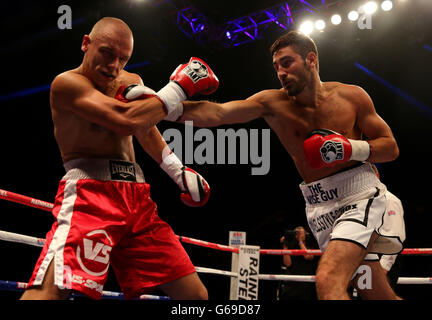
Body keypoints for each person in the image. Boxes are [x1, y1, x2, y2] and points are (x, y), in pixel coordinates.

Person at [176, 31, 404, 299]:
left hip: (360, 196)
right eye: (276, 67)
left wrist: (349, 148)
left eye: (286, 63)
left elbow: (391, 148)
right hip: (319, 206)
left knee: (329, 280)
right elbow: (217, 113)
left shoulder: (352, 97)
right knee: (372, 291)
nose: (280, 72)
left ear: (311, 59)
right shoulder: (273, 103)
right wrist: (165, 103)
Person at [20, 17, 219, 300]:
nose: (114, 66)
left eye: (123, 59)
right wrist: (181, 87)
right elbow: (125, 120)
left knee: (195, 296)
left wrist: (177, 171)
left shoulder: (130, 80)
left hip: (137, 197)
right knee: (52, 293)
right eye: (107, 53)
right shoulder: (67, 84)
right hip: (91, 195)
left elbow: (144, 126)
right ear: (86, 43)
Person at [277, 226, 318, 300]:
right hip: (292, 285)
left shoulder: (310, 247)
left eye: (301, 233)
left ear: (306, 235)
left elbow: (307, 256)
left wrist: (300, 241)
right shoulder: (291, 248)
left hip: (306, 286)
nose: (298, 235)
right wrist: (285, 246)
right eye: (296, 233)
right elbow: (288, 264)